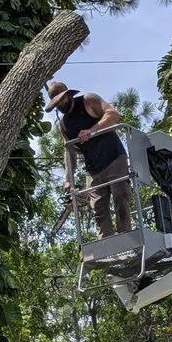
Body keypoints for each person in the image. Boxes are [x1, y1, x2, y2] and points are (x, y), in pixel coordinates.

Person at [45, 80, 131, 239]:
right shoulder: (64, 125)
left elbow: (113, 114)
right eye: (56, 104)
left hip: (114, 158)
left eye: (61, 101)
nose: (60, 105)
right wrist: (68, 179)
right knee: (98, 208)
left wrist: (92, 131)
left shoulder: (88, 101)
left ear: (68, 95)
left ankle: (127, 239)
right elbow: (69, 151)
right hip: (93, 168)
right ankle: (107, 248)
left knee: (120, 196)